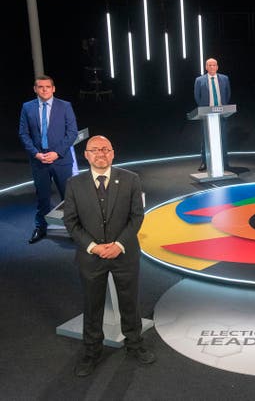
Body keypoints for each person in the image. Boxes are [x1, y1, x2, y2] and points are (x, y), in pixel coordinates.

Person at [63, 135, 155, 377]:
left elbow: (137, 216)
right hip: (91, 256)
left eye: (105, 149)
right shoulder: (74, 183)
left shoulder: (131, 180)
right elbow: (70, 222)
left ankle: (134, 344)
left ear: (113, 153)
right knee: (92, 306)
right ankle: (91, 352)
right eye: (94, 150)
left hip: (124, 254)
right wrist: (93, 246)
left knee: (130, 302)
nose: (100, 153)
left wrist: (120, 244)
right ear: (86, 155)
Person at [19, 75, 78, 244]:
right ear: (35, 89)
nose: (44, 89)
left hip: (61, 160)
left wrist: (57, 153)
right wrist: (36, 154)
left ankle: (73, 228)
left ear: (53, 89)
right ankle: (41, 227)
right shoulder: (27, 107)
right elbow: (23, 134)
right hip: (39, 161)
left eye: (47, 87)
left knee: (68, 197)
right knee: (42, 196)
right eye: (40, 87)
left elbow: (72, 132)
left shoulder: (65, 106)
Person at [193, 57, 232, 171]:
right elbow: (197, 96)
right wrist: (205, 109)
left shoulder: (225, 79)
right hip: (206, 114)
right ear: (206, 67)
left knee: (223, 138)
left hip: (221, 113)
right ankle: (204, 162)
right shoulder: (199, 80)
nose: (212, 67)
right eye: (209, 65)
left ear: (217, 67)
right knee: (206, 139)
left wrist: (222, 107)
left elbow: (227, 94)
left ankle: (224, 162)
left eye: (214, 65)